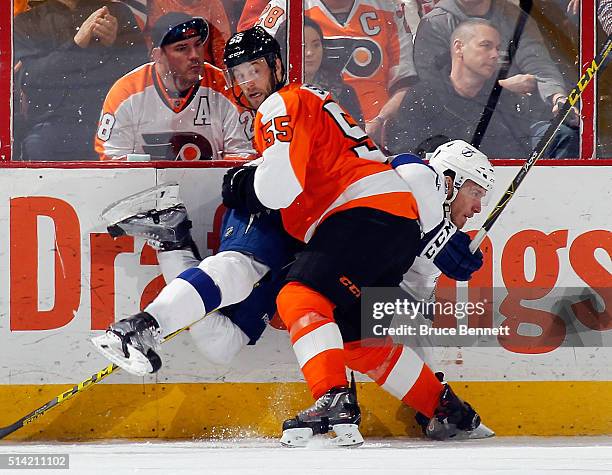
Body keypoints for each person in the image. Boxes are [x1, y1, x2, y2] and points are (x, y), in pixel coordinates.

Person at [221, 26, 490, 446]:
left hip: (362, 215)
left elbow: (279, 189)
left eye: (254, 69)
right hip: (386, 230)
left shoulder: (281, 103)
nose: (248, 82)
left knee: (297, 297)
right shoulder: (312, 106)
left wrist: (243, 185)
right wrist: (434, 239)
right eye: (239, 74)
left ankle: (332, 399)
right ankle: (449, 411)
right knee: (357, 340)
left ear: (276, 66)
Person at [385, 19, 579, 158]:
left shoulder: (504, 98)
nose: (495, 55)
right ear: (459, 47)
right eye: (486, 46)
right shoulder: (422, 96)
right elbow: (404, 152)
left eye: (497, 47)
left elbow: (522, 148)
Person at [95, 13, 255, 161]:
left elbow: (242, 155)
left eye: (198, 44)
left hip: (214, 190)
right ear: (157, 56)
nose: (195, 55)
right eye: (182, 48)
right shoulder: (126, 92)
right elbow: (112, 160)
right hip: (145, 191)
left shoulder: (225, 86)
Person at [254, 0, 417, 144]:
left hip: (385, 138)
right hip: (305, 135)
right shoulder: (284, 7)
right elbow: (256, 74)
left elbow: (405, 82)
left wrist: (380, 122)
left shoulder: (388, 7)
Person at [13, 0, 147, 161]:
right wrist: (76, 43)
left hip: (112, 123)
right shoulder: (28, 21)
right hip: (51, 128)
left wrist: (113, 46)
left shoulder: (116, 13)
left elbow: (140, 77)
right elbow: (31, 80)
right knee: (38, 146)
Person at [413, 0, 575, 122]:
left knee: (565, 137)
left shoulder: (515, 17)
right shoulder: (434, 25)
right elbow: (435, 88)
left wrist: (558, 98)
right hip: (461, 128)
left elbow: (539, 65)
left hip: (519, 123)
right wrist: (503, 88)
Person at [303, 17, 364, 125]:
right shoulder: (272, 90)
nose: (309, 53)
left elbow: (357, 138)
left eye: (316, 45)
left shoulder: (344, 93)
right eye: (303, 45)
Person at [145, 0, 232, 67]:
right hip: (174, 72)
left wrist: (223, 76)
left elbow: (221, 45)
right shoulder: (160, 4)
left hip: (206, 71)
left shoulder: (212, 3)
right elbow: (156, 45)